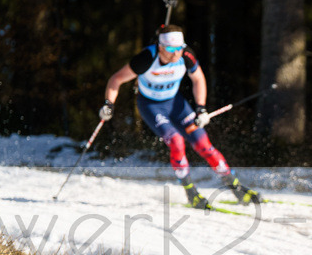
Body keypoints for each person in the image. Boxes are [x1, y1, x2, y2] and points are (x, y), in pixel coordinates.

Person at [100, 24, 260, 208]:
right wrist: (108, 104)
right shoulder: (146, 58)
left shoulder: (185, 55)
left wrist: (201, 108)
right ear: (160, 47)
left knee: (203, 144)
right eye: (170, 49)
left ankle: (236, 188)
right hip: (151, 106)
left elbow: (198, 78)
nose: (175, 53)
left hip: (175, 104)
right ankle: (191, 193)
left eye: (179, 48)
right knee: (176, 141)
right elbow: (116, 79)